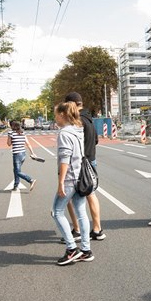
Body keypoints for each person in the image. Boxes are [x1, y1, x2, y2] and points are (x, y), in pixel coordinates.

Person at [51, 101, 94, 265]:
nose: (55, 118)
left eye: (56, 114)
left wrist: (60, 182)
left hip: (69, 179)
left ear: (62, 115)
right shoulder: (78, 130)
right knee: (81, 213)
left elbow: (64, 159)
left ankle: (71, 249)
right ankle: (85, 250)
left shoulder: (64, 134)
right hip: (80, 178)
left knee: (56, 212)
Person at [63, 92, 106, 242]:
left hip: (79, 163)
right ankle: (97, 229)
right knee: (90, 194)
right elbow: (95, 141)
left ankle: (77, 229)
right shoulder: (90, 119)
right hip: (91, 161)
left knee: (67, 196)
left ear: (71, 104)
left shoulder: (77, 121)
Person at [7, 121, 37, 192]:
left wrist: (10, 138)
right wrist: (32, 153)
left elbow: (8, 144)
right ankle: (16, 185)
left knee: (17, 171)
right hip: (23, 154)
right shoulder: (23, 133)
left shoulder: (11, 133)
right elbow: (28, 144)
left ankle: (30, 180)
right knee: (16, 170)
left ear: (12, 126)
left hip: (17, 154)